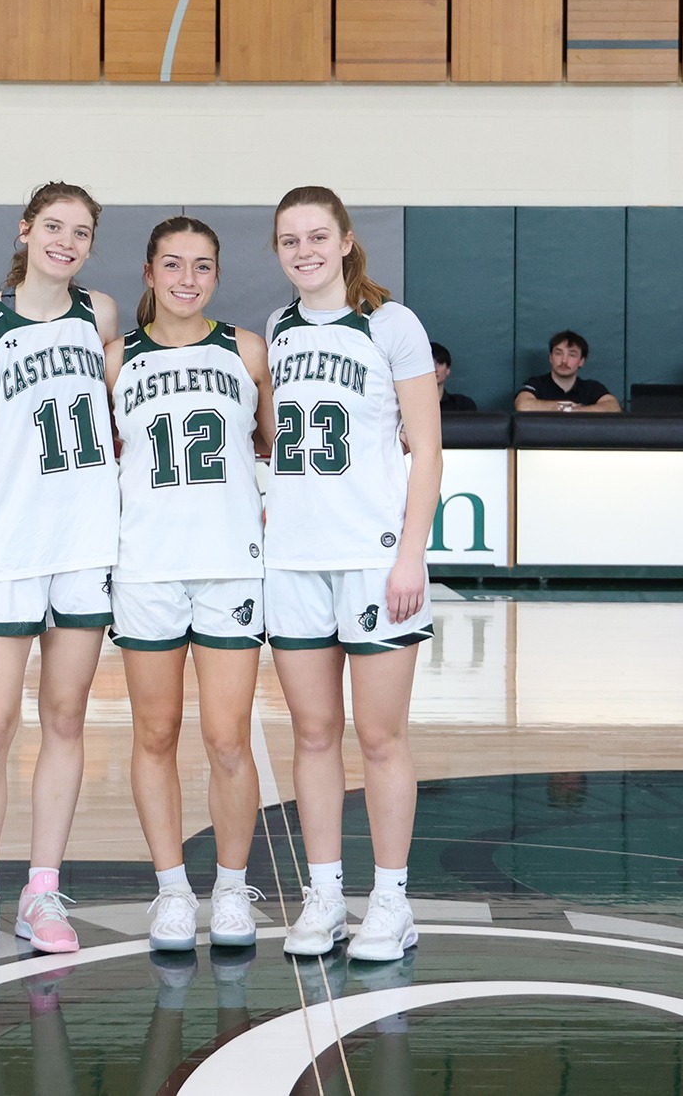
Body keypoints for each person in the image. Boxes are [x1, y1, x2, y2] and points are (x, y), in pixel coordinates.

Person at [0, 182, 121, 959]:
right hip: (6, 545)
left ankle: (41, 892)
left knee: (67, 719)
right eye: (54, 226)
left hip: (84, 544)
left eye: (81, 231)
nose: (67, 241)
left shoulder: (101, 315)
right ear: (25, 229)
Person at [264, 186, 441, 963]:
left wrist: (411, 552)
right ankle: (326, 893)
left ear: (344, 242)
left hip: (373, 559)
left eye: (315, 237)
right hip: (295, 559)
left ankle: (392, 900)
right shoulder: (275, 328)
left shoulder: (391, 323)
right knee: (312, 734)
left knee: (379, 736)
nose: (303, 251)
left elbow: (426, 449)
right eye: (288, 240)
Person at [110, 217, 276, 952]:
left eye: (202, 266)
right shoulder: (114, 361)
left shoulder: (247, 351)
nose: (187, 278)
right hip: (145, 564)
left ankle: (234, 889)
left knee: (227, 737)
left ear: (216, 275)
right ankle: (173, 891)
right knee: (155, 731)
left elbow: (275, 445)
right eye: (172, 264)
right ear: (148, 272)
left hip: (229, 564)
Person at [514, 330, 619, 413]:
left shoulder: (592, 388)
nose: (564, 360)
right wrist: (565, 407)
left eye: (572, 355)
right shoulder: (536, 384)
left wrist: (577, 410)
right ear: (550, 358)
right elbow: (523, 405)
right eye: (558, 353)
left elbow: (613, 407)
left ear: (581, 361)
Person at [432, 342, 477, 412]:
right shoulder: (409, 405)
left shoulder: (463, 405)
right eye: (430, 363)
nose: (435, 369)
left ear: (448, 370)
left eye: (440, 363)